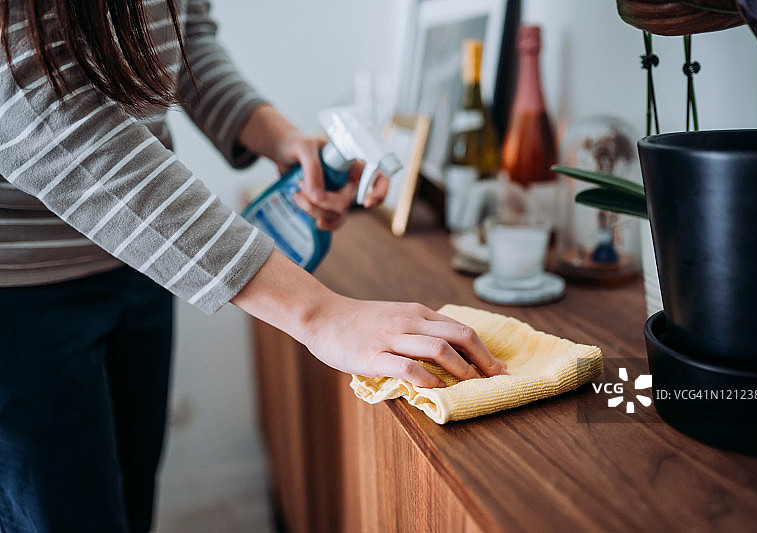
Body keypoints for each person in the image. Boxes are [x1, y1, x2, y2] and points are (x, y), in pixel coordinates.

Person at [0, 0, 506, 531]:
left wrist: (276, 136)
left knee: (128, 502)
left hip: (140, 264)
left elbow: (177, 34)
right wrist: (319, 313)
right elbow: (50, 115)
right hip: (20, 298)